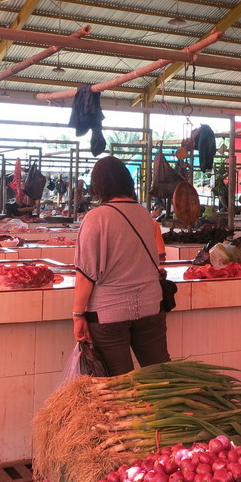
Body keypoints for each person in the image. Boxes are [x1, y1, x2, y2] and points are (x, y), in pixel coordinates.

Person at [72, 156, 170, 376]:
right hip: (151, 307)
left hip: (109, 313)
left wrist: (78, 315)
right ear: (127, 181)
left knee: (120, 382)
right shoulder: (144, 214)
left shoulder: (96, 217)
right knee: (161, 376)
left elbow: (85, 274)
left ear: (98, 184)